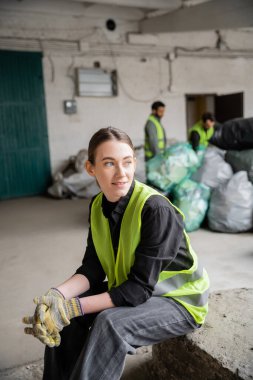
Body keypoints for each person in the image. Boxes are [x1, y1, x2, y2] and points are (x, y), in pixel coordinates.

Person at [23, 127, 209, 380]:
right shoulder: (98, 205)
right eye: (109, 163)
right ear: (91, 168)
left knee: (110, 323)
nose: (121, 173)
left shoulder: (155, 209)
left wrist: (74, 306)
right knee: (67, 317)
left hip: (179, 302)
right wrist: (56, 296)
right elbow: (93, 268)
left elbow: (138, 289)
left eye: (127, 162)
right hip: (138, 289)